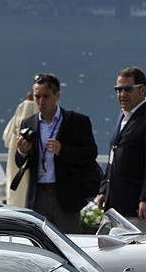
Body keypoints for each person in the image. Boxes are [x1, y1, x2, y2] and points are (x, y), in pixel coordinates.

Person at [14, 73, 98, 234]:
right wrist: (22, 151)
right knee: (38, 244)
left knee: (71, 242)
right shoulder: (28, 123)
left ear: (57, 95)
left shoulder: (77, 122)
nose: (41, 102)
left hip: (66, 196)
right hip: (37, 195)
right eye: (37, 96)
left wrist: (63, 150)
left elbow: (90, 153)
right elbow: (20, 162)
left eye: (46, 96)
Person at [96, 66, 146, 230]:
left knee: (131, 254)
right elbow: (113, 156)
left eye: (128, 89)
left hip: (138, 208)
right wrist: (104, 190)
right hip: (116, 206)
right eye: (118, 89)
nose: (122, 94)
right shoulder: (123, 116)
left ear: (142, 89)